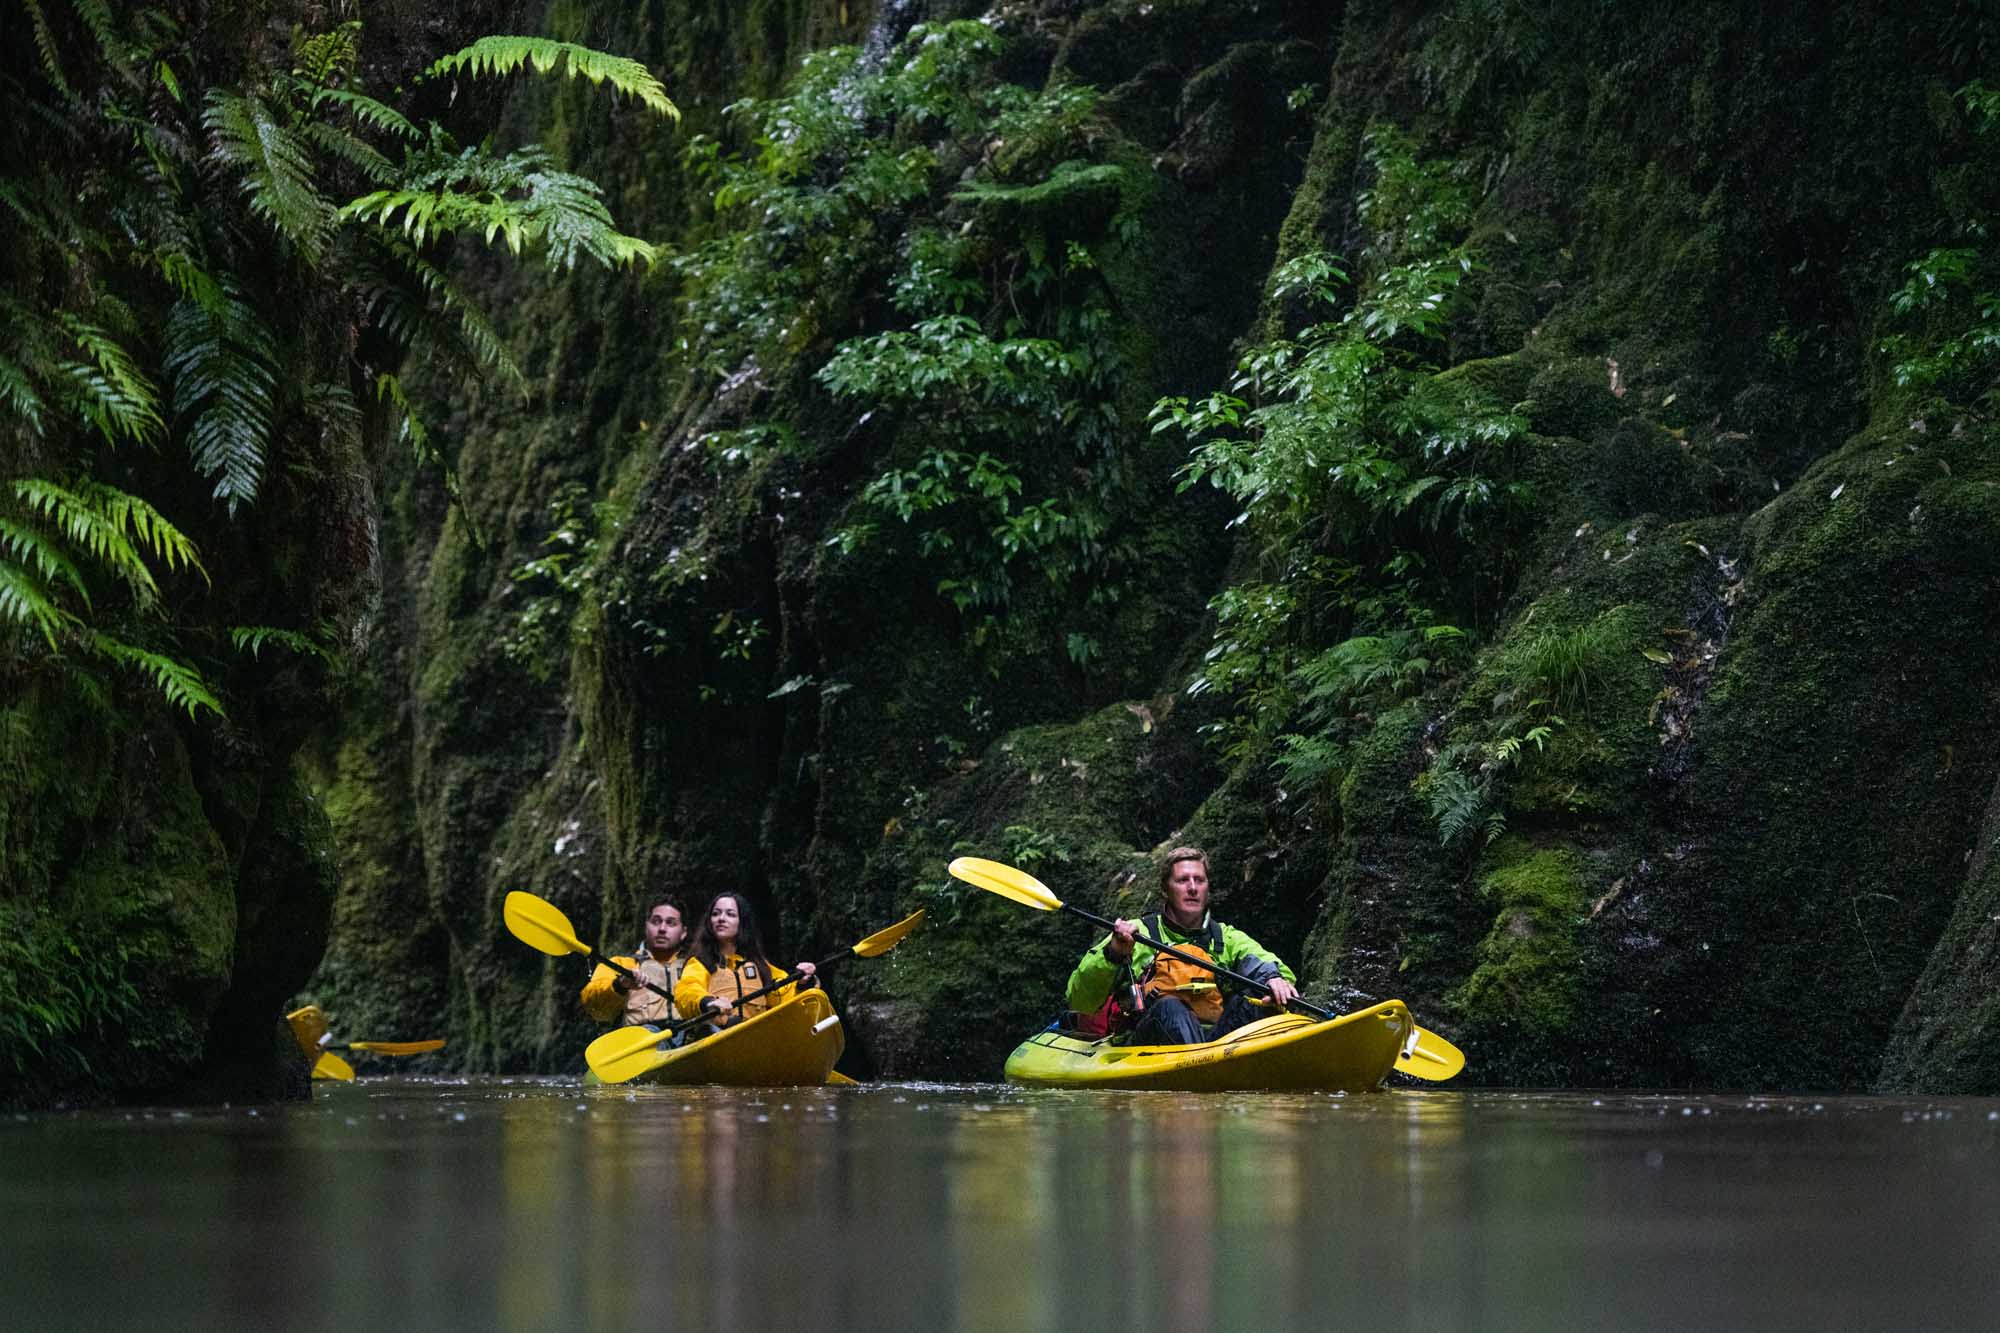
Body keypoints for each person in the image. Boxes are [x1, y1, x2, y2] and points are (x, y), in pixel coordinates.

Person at [1065, 845, 1300, 1045]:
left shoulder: (1225, 938)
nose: (1192, 887)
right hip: (1147, 1042)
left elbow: (1262, 961)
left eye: (1199, 880)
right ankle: (1203, 1075)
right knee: (1170, 1008)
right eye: (1182, 880)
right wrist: (1114, 953)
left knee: (1260, 998)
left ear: (1207, 888)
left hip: (1215, 1043)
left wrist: (1273, 979)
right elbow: (1080, 1000)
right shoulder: (1135, 934)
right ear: (1165, 889)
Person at [678, 893, 816, 1031]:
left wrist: (802, 983)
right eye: (715, 914)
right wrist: (707, 1002)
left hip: (756, 1038)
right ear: (709, 922)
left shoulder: (759, 965)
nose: (721, 919)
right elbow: (687, 989)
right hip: (718, 1037)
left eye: (730, 914)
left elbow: (785, 992)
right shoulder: (700, 963)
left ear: (742, 922)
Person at [578, 895, 708, 1029]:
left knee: (709, 1029)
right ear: (646, 926)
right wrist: (620, 985)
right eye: (656, 921)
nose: (662, 928)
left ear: (683, 932)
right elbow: (593, 1007)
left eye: (671, 923)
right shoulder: (621, 964)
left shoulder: (696, 967)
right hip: (644, 1041)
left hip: (690, 1039)